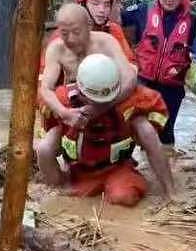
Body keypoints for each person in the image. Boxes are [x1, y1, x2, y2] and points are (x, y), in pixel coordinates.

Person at [37, 3, 175, 201]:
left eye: (76, 32)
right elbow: (45, 89)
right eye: (65, 32)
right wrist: (65, 113)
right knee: (44, 149)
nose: (71, 39)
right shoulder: (56, 49)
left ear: (89, 26)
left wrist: (101, 107)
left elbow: (129, 78)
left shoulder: (107, 41)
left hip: (114, 98)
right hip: (75, 103)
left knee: (146, 131)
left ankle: (170, 191)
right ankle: (63, 189)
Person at [42, 54, 161, 207]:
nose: (98, 108)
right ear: (80, 91)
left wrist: (169, 190)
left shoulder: (131, 100)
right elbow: (47, 142)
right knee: (62, 196)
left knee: (125, 197)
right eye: (94, 101)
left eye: (104, 102)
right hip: (79, 172)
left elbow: (153, 141)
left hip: (116, 169)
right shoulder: (62, 101)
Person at [122, 0, 196, 148]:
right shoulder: (143, 10)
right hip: (144, 82)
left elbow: (194, 42)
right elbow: (118, 18)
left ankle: (170, 166)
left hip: (173, 86)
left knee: (165, 132)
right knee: (137, 128)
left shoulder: (192, 17)